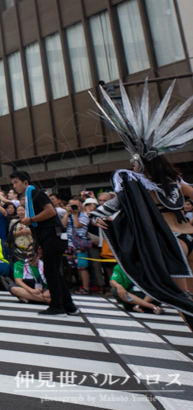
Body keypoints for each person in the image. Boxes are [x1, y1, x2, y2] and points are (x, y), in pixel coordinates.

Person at [90, 81, 193, 328]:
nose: (131, 167)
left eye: (133, 162)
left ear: (140, 163)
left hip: (172, 242)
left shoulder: (137, 186)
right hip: (189, 234)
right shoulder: (176, 182)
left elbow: (110, 206)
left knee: (183, 300)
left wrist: (97, 216)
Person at [14, 170, 76, 316]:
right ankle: (68, 306)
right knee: (54, 271)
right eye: (13, 183)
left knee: (51, 271)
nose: (14, 186)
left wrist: (32, 220)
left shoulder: (35, 193)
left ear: (25, 182)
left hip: (52, 236)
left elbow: (51, 211)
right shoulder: (31, 195)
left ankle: (57, 306)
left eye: (16, 182)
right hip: (50, 236)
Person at [62, 196, 92, 295]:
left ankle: (86, 288)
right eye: (71, 205)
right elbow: (63, 225)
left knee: (82, 267)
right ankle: (82, 286)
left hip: (80, 245)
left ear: (80, 206)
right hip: (70, 244)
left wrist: (75, 214)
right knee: (76, 266)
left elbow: (77, 225)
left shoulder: (84, 215)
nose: (74, 207)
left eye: (76, 205)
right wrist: (67, 213)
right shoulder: (69, 214)